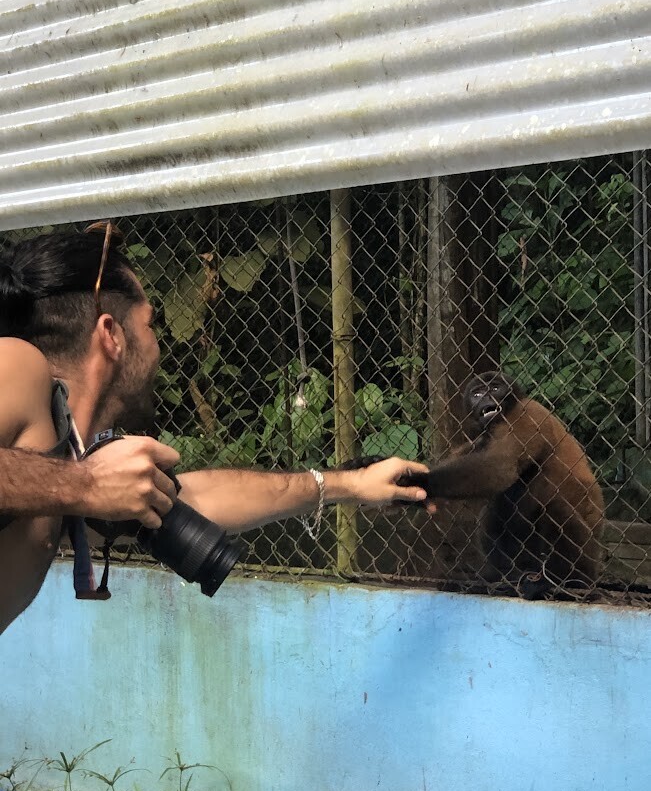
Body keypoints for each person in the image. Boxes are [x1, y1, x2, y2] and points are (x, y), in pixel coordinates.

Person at [0, 223, 431, 633]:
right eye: (150, 324)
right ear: (111, 335)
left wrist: (350, 484)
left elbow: (195, 498)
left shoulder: (57, 466)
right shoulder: (18, 365)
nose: (158, 344)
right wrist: (84, 485)